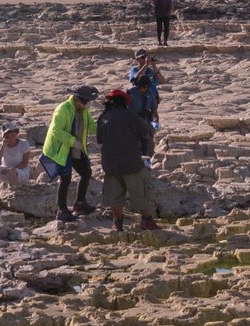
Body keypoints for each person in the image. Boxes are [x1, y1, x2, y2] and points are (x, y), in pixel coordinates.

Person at [96, 89, 160, 231]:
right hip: (131, 162)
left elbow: (99, 139)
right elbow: (145, 131)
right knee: (138, 193)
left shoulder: (103, 118)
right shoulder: (130, 116)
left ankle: (117, 223)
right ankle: (147, 220)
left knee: (115, 195)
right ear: (125, 102)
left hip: (110, 163)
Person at [43, 85, 100, 224]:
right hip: (62, 148)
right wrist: (72, 141)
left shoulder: (84, 111)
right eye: (85, 102)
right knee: (65, 178)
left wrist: (104, 126)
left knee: (86, 172)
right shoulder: (63, 109)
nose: (87, 105)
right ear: (76, 99)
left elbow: (91, 126)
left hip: (76, 147)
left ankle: (80, 203)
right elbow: (56, 130)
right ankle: (62, 210)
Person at [0, 127, 37, 195]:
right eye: (8, 134)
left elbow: (25, 163)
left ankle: (14, 193)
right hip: (6, 170)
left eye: (13, 134)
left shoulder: (23, 143)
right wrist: (3, 147)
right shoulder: (1, 145)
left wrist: (13, 168)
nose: (11, 136)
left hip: (21, 171)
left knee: (12, 171)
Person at [127, 53, 163, 125]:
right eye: (142, 57)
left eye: (146, 57)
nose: (145, 59)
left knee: (150, 116)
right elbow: (135, 78)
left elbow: (162, 81)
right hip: (138, 96)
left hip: (151, 96)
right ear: (137, 59)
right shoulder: (135, 69)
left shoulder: (151, 71)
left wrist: (154, 66)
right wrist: (146, 65)